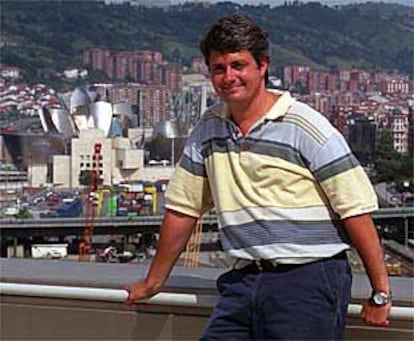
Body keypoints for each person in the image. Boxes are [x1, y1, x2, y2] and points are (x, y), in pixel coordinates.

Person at [126, 13, 391, 340]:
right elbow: (183, 209)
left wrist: (380, 293)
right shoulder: (208, 130)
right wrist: (154, 280)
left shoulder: (306, 126)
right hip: (243, 281)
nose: (229, 77)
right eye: (219, 68)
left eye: (239, 66)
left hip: (307, 280)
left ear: (262, 66)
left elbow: (356, 212)